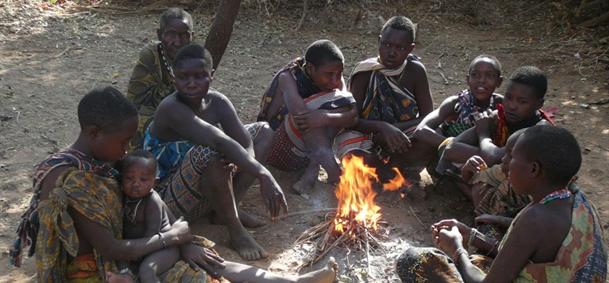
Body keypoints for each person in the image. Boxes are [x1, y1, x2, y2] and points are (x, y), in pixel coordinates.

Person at [396, 125, 607, 282]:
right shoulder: (577, 201)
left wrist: (457, 249)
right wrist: (473, 235)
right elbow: (525, 257)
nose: (504, 164)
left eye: (511, 157)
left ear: (534, 169)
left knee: (414, 261)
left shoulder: (536, 218)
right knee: (483, 242)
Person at [146, 43, 286, 260]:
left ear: (211, 75)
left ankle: (229, 209)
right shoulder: (170, 107)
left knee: (265, 132)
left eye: (199, 76)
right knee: (209, 152)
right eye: (184, 77)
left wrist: (239, 164)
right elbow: (218, 141)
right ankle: (235, 229)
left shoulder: (218, 101)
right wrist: (263, 173)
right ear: (174, 78)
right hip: (169, 198)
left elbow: (246, 142)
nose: (191, 83)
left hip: (206, 183)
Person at [257, 39, 357, 194]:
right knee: (310, 114)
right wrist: (323, 116)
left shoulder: (333, 77)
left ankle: (313, 168)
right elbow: (303, 119)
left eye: (339, 74)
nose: (335, 80)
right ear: (310, 68)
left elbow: (352, 114)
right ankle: (333, 172)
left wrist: (325, 116)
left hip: (308, 152)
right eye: (330, 75)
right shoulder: (288, 78)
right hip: (278, 150)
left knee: (339, 103)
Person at [334, 16, 433, 169]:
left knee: (428, 136)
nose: (391, 52)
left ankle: (391, 171)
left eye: (400, 48)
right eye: (386, 45)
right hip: (368, 136)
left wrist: (395, 130)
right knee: (351, 153)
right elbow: (352, 120)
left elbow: (428, 116)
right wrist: (383, 127)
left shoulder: (416, 71)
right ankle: (392, 175)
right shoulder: (365, 72)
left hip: (402, 137)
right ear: (379, 41)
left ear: (410, 48)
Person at [437, 66, 552, 173]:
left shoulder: (539, 130)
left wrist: (483, 134)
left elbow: (492, 158)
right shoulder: (499, 116)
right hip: (494, 162)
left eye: (522, 102)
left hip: (526, 187)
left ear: (539, 104)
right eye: (509, 97)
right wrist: (488, 153)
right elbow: (451, 147)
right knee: (447, 147)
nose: (512, 106)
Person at [127, 8, 194, 150]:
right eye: (171, 34)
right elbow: (136, 100)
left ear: (192, 36)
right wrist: (176, 89)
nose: (178, 42)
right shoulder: (151, 55)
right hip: (152, 115)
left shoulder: (195, 58)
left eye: (184, 35)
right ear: (159, 34)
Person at [117, 150, 182, 282]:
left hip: (162, 247)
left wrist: (135, 256)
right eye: (129, 178)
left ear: (155, 182)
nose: (136, 184)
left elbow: (152, 234)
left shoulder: (152, 202)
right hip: (137, 248)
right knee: (119, 262)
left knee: (147, 270)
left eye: (143, 179)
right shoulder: (122, 197)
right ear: (121, 179)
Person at [415, 55, 503, 151]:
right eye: (475, 75)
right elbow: (421, 130)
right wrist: (453, 145)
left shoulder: (502, 106)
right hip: (450, 160)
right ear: (467, 80)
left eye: (489, 76)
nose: (481, 80)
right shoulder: (455, 104)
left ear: (499, 82)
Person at [460, 129, 531, 240]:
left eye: (511, 156)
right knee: (483, 185)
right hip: (500, 219)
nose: (503, 159)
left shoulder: (544, 202)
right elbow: (477, 178)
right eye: (505, 153)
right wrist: (467, 170)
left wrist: (496, 219)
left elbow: (528, 227)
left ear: (534, 168)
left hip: (519, 238)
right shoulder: (509, 173)